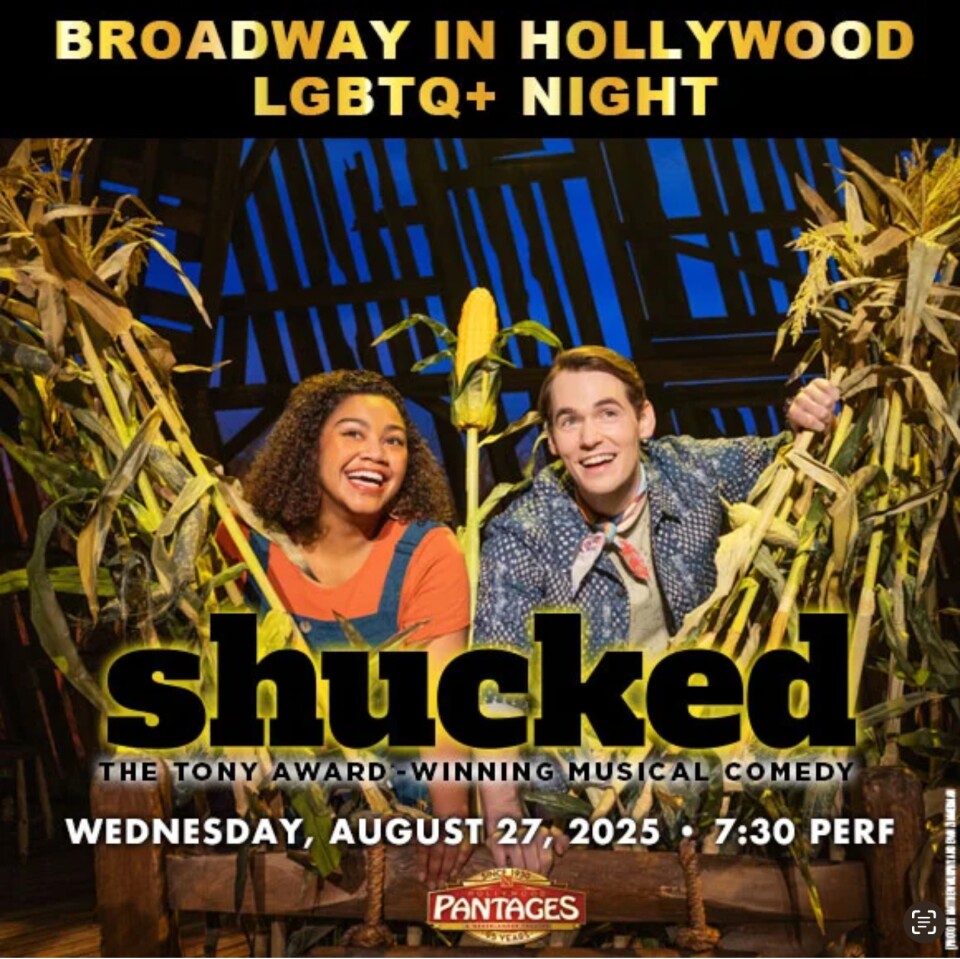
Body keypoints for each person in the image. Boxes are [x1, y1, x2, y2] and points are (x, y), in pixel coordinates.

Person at [473, 345, 839, 871]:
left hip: (708, 755)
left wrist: (809, 412)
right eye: (569, 421)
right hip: (591, 784)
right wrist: (507, 814)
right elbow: (493, 689)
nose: (590, 437)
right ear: (552, 442)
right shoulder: (522, 534)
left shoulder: (691, 472)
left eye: (607, 412)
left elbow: (791, 456)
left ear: (643, 420)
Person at [217, 369, 472, 887]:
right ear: (309, 449)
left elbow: (442, 704)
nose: (376, 452)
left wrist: (451, 822)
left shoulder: (427, 551)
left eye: (393, 440)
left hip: (401, 806)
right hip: (289, 806)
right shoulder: (244, 547)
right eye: (352, 432)